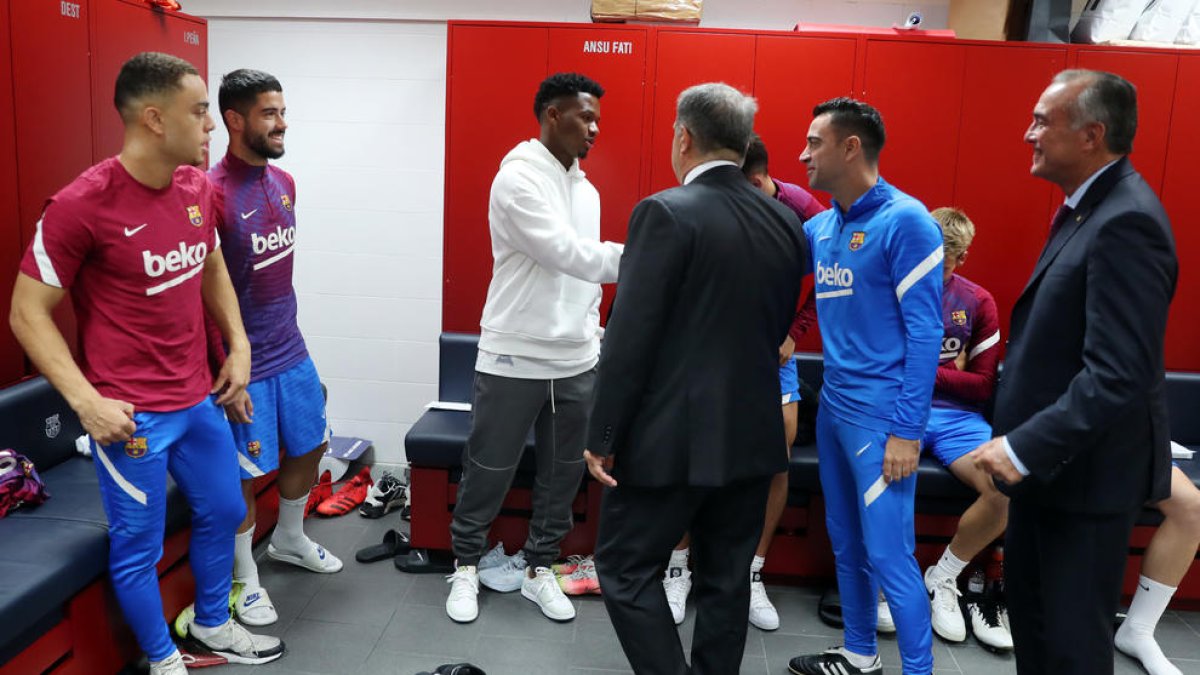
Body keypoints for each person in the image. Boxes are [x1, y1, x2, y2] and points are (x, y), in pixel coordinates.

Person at [8, 52, 283, 674]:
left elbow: (210, 266)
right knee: (138, 545)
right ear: (155, 119)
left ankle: (212, 623)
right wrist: (86, 402)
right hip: (132, 416)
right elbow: (27, 313)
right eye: (199, 111)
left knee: (225, 510)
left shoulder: (194, 188)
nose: (211, 125)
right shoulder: (81, 206)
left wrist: (237, 345)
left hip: (196, 398)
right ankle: (162, 660)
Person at [586, 82, 808, 675]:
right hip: (753, 436)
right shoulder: (787, 222)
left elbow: (630, 338)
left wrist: (602, 433)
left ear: (683, 137)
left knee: (625, 569)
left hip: (670, 439)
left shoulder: (663, 212)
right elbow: (772, 328)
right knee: (726, 580)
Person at [972, 69, 1178, 674]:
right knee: (1038, 634)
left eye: (1042, 120)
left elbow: (1119, 372)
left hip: (1083, 482)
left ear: (1092, 135)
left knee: (1069, 649)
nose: (1027, 133)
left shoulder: (1127, 221)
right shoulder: (1088, 210)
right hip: (1053, 476)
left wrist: (1026, 445)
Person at [443, 72, 623, 624]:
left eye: (596, 118)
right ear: (551, 115)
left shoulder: (586, 189)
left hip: (575, 357)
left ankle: (539, 567)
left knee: (564, 472)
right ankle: (467, 566)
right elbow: (566, 253)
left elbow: (584, 276)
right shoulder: (517, 179)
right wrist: (648, 255)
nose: (594, 128)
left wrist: (591, 329)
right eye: (583, 116)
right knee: (489, 467)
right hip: (514, 356)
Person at [788, 98, 943, 675]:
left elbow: (927, 334)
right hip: (833, 409)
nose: (803, 155)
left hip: (882, 421)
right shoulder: (822, 226)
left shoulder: (907, 220)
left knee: (889, 555)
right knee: (846, 542)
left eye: (814, 143)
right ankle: (858, 654)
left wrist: (907, 432)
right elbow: (763, 237)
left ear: (850, 147)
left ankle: (919, 672)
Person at [661, 133, 823, 632]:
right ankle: (678, 565)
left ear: (754, 181)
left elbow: (837, 272)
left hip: (771, 354)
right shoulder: (708, 205)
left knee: (777, 458)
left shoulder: (803, 211)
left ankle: (753, 573)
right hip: (712, 351)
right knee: (692, 452)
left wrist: (795, 332)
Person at [206, 68, 343, 628]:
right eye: (269, 113)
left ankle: (289, 537)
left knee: (311, 444)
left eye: (282, 111)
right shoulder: (211, 193)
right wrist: (226, 368)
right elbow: (203, 292)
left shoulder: (284, 184)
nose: (283, 123)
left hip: (292, 347)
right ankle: (246, 577)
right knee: (242, 471)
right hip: (243, 362)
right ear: (235, 120)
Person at [881, 207, 1012, 650]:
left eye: (946, 260)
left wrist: (922, 370)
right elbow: (876, 368)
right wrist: (937, 367)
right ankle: (888, 583)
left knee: (1007, 486)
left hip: (957, 418)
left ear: (962, 258)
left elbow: (979, 386)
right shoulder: (889, 291)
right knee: (886, 481)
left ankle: (942, 578)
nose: (935, 268)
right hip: (899, 413)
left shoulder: (977, 302)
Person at [1116, 465, 1200, 675]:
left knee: (1192, 507)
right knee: (1021, 471)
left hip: (1123, 449)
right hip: (1050, 443)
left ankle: (1138, 628)